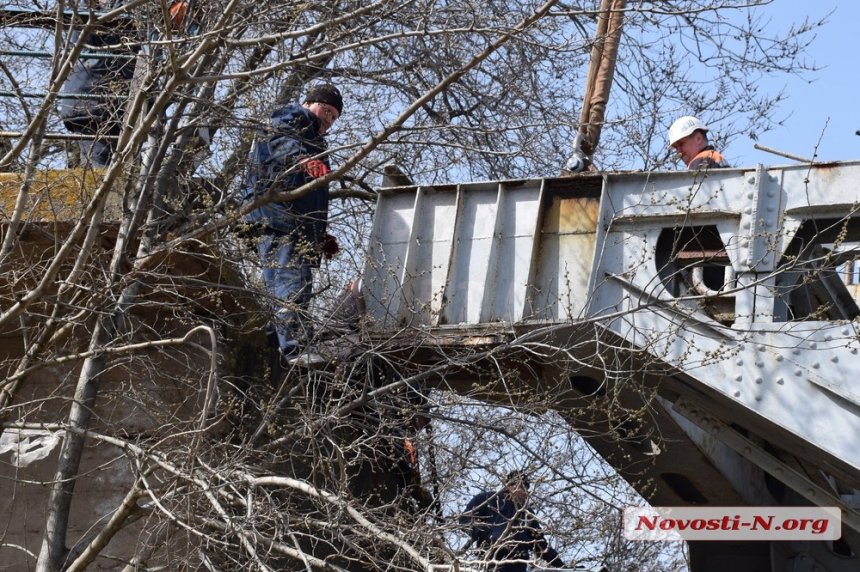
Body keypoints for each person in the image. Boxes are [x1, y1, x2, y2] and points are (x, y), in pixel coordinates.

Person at [241, 83, 343, 360]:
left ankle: (274, 355)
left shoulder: (312, 138)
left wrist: (319, 234)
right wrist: (305, 161)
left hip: (283, 219)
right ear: (309, 103)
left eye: (334, 117)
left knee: (277, 290)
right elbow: (284, 145)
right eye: (326, 110)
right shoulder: (292, 118)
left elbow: (303, 192)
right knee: (292, 283)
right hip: (282, 219)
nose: (328, 120)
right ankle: (297, 350)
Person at [59, 0, 136, 167]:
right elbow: (127, 57)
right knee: (100, 164)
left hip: (94, 98)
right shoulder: (94, 10)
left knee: (98, 163)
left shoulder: (92, 8)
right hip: (96, 99)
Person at [461, 471, 567, 572]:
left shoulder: (527, 513)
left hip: (517, 564)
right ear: (509, 486)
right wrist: (486, 534)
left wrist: (561, 566)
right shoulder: (488, 499)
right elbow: (464, 519)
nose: (524, 492)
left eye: (526, 489)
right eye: (520, 487)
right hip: (490, 559)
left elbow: (540, 544)